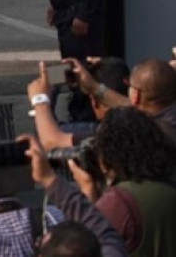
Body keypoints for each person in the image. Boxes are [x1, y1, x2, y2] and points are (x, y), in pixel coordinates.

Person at [68, 106, 176, 255]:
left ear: (108, 156)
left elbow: (84, 247)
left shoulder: (119, 202)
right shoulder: (167, 182)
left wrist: (87, 191)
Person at [28, 58, 130, 151]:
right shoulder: (140, 124)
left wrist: (41, 99)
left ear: (94, 102)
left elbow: (47, 139)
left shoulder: (101, 135)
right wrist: (94, 87)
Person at [67, 57, 176, 143]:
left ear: (135, 95)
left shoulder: (146, 133)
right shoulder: (164, 121)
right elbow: (134, 108)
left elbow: (55, 140)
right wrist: (94, 87)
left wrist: (49, 94)